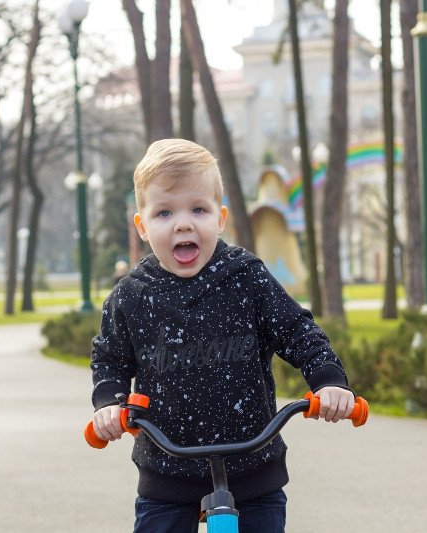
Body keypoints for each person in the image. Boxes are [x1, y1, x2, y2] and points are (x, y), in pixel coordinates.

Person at [89, 139, 354, 533]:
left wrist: (328, 381)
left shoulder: (246, 279)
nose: (183, 223)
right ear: (142, 226)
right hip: (167, 470)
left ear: (220, 218)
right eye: (164, 212)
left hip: (251, 466)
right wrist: (109, 404)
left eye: (199, 209)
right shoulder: (132, 296)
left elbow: (298, 331)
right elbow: (109, 357)